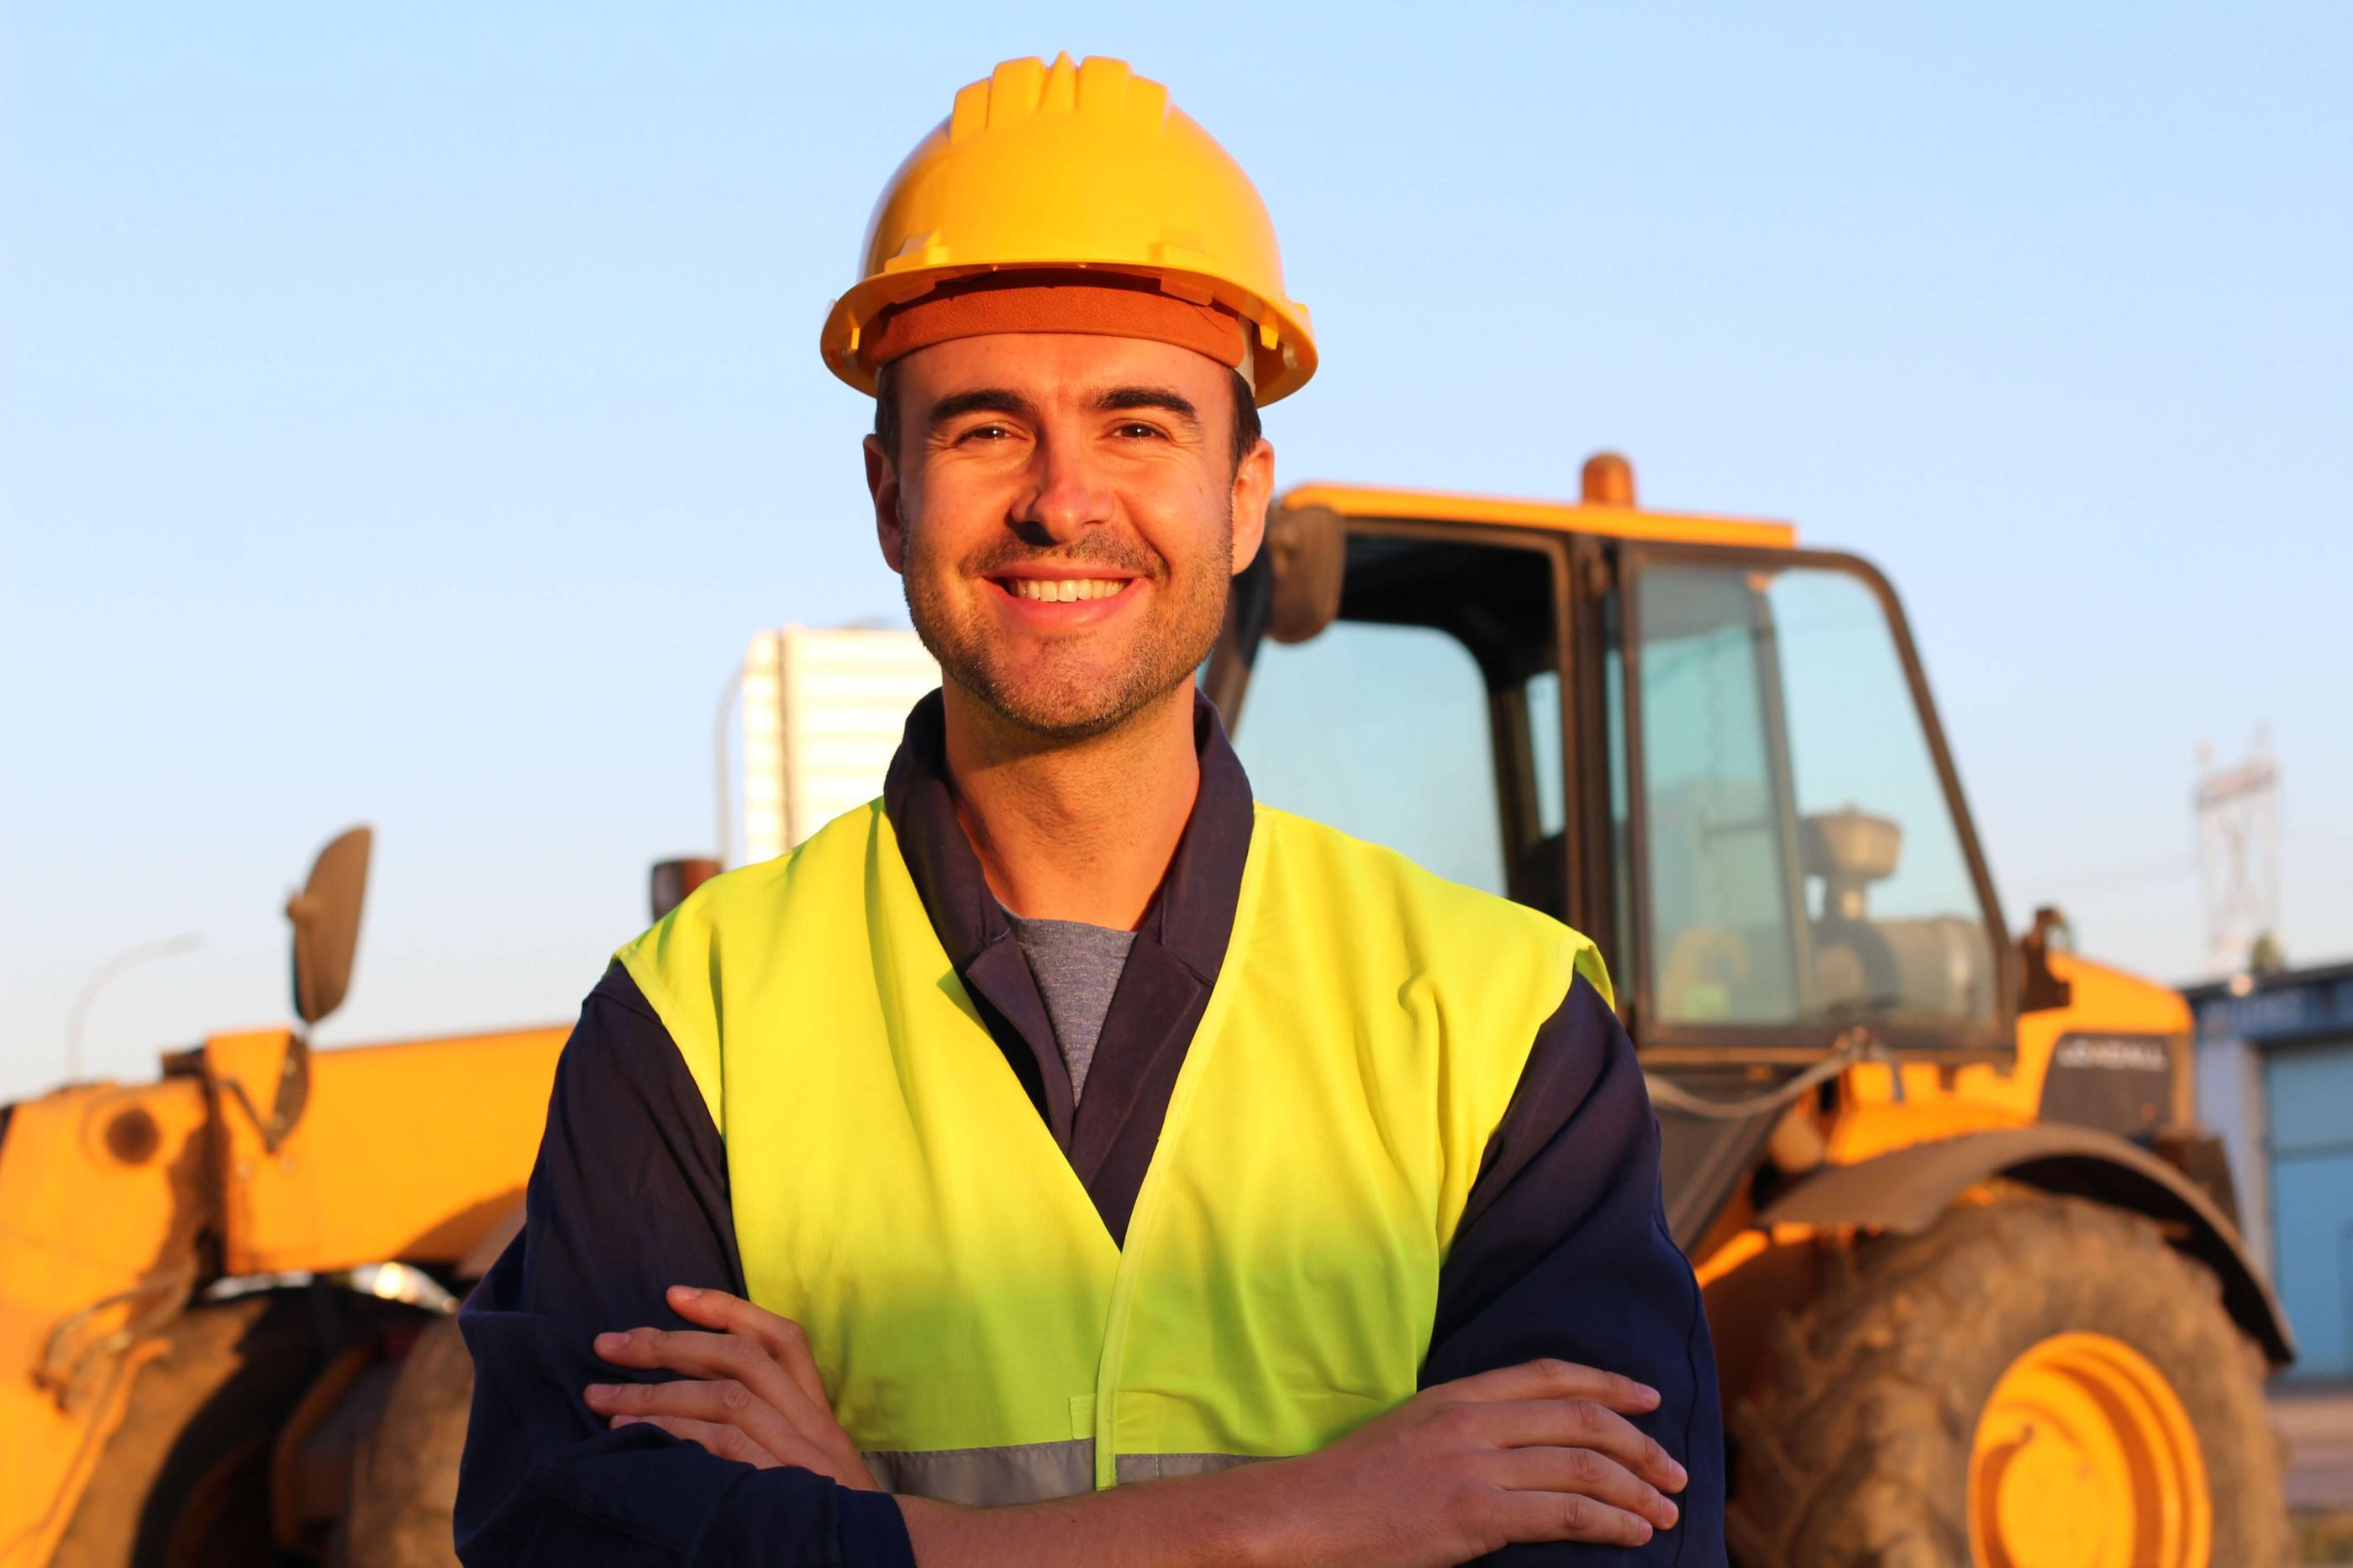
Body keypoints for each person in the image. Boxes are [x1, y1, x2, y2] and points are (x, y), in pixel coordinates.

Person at [455, 53, 1724, 1566]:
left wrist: (865, 1528)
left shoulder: (1498, 1026)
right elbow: (590, 1542)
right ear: (886, 497)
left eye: (1139, 425)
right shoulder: (694, 1019)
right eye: (988, 428)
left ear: (1246, 494)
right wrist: (1317, 1516)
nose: (1064, 499)